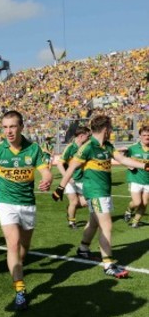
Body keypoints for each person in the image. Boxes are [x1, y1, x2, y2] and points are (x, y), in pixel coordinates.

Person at [52, 115, 149, 278]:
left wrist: (145, 165)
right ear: (105, 129)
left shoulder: (108, 146)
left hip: (104, 191)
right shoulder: (88, 147)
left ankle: (83, 250)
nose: (111, 131)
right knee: (106, 226)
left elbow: (123, 159)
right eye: (110, 128)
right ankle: (109, 264)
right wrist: (60, 188)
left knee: (93, 223)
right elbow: (71, 167)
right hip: (95, 192)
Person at [0, 110, 52, 311]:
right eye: (4, 127)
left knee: (23, 249)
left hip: (27, 203)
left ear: (21, 127)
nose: (8, 131)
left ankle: (17, 267)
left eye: (12, 126)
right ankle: (20, 291)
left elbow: (46, 173)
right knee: (12, 245)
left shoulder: (33, 149)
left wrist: (47, 181)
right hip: (6, 203)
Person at [57, 126, 91, 229]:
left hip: (83, 179)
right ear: (81, 136)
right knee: (74, 201)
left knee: (86, 202)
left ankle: (70, 209)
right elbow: (59, 163)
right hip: (70, 180)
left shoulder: (87, 147)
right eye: (88, 136)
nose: (89, 138)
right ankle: (72, 222)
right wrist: (66, 177)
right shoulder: (70, 148)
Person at [122, 125, 149, 228]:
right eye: (144, 135)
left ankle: (135, 222)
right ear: (140, 136)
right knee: (137, 202)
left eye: (148, 135)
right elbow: (123, 159)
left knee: (144, 203)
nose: (147, 137)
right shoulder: (132, 148)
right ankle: (129, 210)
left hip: (148, 180)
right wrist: (128, 165)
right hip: (135, 179)